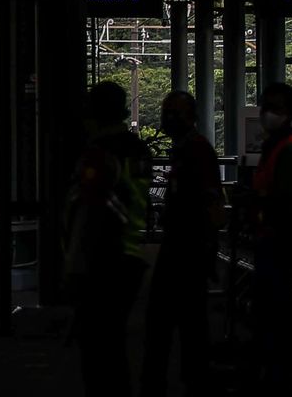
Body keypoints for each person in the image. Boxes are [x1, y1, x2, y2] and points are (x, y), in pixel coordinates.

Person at [62, 80, 152, 397]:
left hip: (102, 260)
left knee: (98, 351)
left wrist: (74, 266)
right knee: (114, 344)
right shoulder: (139, 150)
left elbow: (90, 213)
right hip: (132, 253)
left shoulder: (99, 156)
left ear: (93, 115)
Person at [141, 91, 223, 396]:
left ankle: (171, 380)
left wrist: (208, 246)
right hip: (181, 244)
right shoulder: (185, 149)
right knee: (188, 319)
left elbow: (210, 200)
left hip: (188, 246)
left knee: (168, 318)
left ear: (192, 117)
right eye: (167, 112)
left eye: (176, 113)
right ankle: (192, 377)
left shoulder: (197, 151)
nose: (169, 118)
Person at [250, 82, 292, 396]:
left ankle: (279, 381)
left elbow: (283, 201)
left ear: (289, 114)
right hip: (269, 242)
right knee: (269, 315)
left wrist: (259, 201)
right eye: (265, 106)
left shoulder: (289, 150)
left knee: (277, 316)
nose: (267, 114)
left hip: (280, 245)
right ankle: (272, 377)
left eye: (275, 108)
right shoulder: (273, 147)